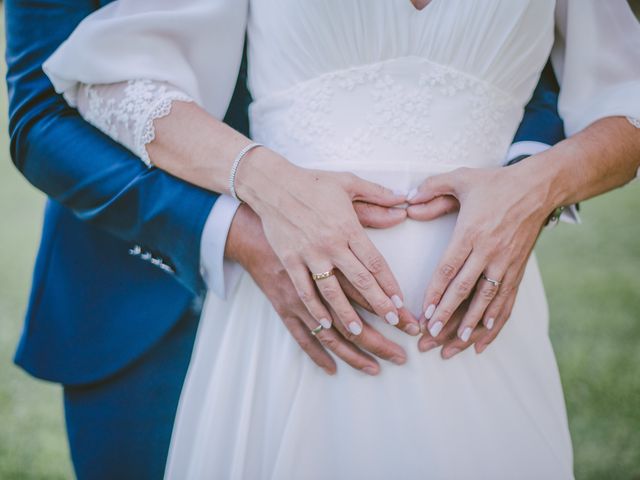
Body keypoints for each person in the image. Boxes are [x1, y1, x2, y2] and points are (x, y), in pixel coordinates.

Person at [6, 1, 638, 479]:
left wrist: (534, 187)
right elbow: (53, 104)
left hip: (475, 329)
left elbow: (601, 88)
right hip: (197, 311)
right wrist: (254, 202)